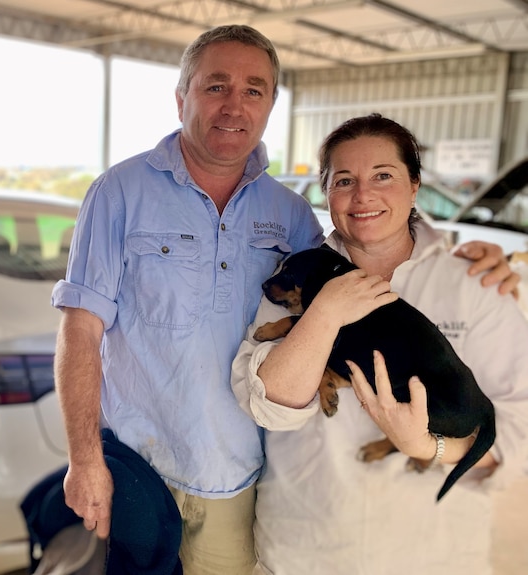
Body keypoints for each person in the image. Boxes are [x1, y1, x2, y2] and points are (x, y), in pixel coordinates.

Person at [51, 24, 519, 575]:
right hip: (139, 463)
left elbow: (376, 238)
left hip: (236, 475)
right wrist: (85, 459)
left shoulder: (292, 219)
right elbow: (81, 330)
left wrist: (474, 252)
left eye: (254, 90)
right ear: (182, 98)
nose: (234, 105)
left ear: (272, 104)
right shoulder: (119, 192)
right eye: (215, 86)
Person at [231, 113, 528, 575]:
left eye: (383, 176)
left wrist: (429, 446)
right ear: (326, 194)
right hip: (304, 550)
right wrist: (324, 311)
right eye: (344, 180)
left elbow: (517, 438)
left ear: (415, 186)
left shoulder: (476, 285)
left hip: (436, 557)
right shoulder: (299, 278)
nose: (363, 195)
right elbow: (269, 406)